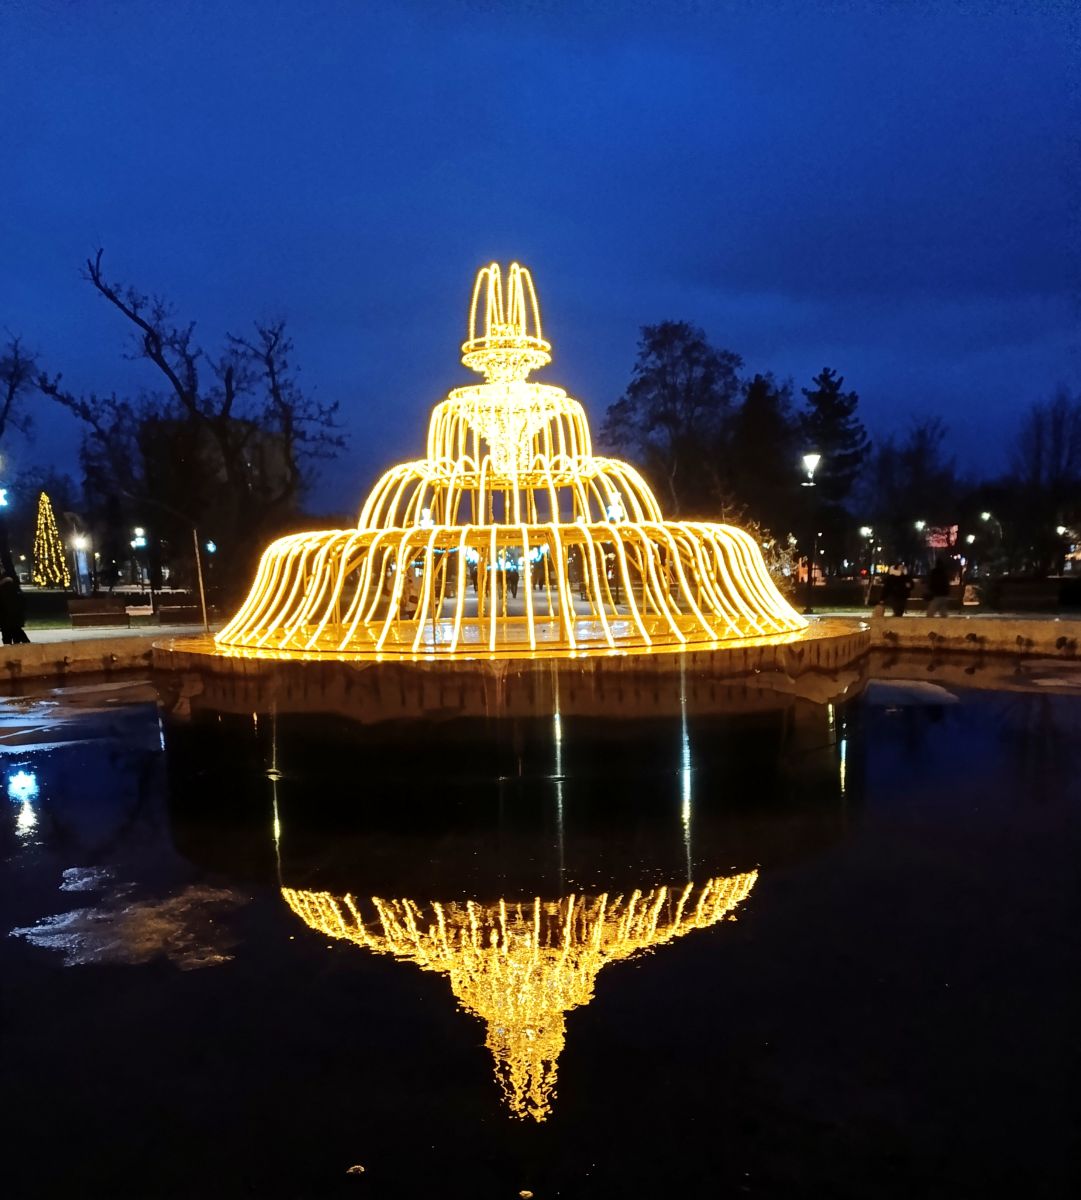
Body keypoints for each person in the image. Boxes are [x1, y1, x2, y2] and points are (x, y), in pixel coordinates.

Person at [0, 573, 30, 643]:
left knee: (7, 638)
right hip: (16, 619)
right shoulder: (16, 590)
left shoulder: (2, 591)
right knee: (18, 635)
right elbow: (23, 603)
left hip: (6, 620)